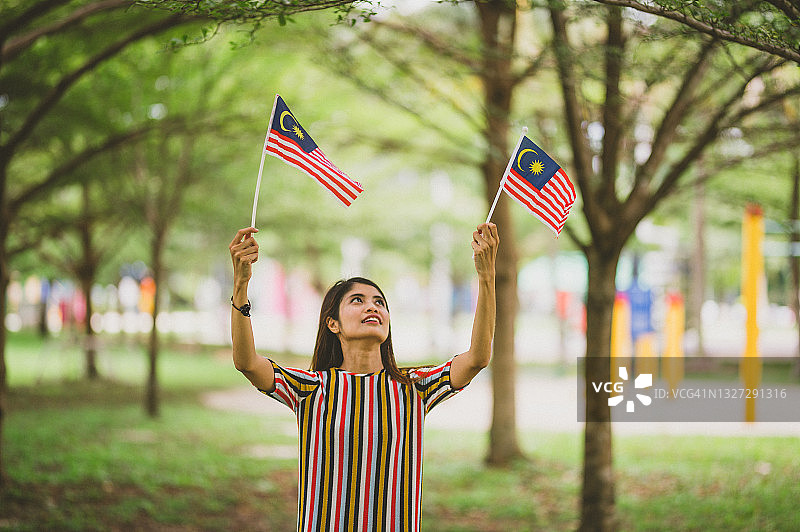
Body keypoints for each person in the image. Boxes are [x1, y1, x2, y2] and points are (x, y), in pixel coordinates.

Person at [228, 222, 499, 532]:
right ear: (333, 324)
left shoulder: (414, 388)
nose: (372, 306)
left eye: (379, 301)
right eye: (357, 300)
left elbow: (478, 358)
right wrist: (240, 285)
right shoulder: (311, 388)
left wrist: (486, 276)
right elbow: (247, 362)